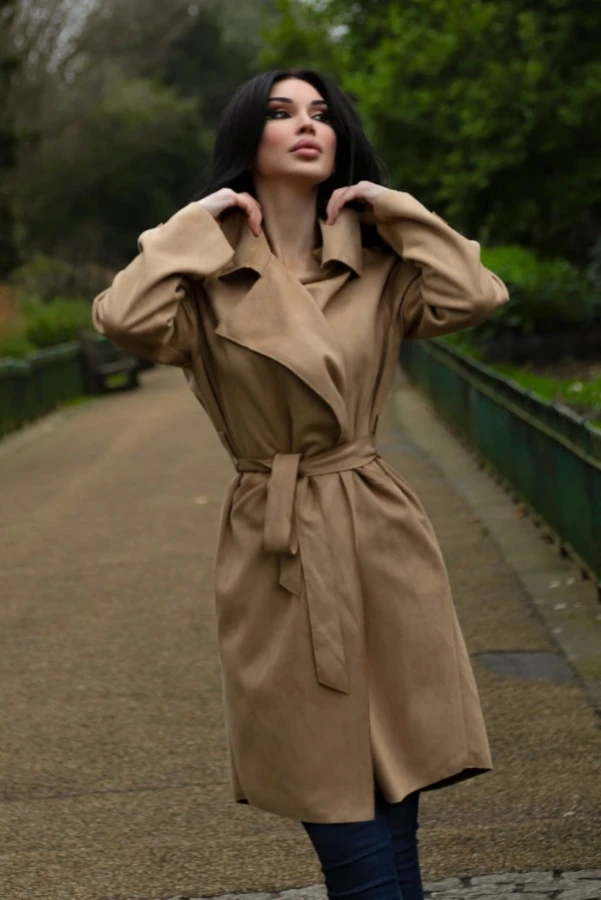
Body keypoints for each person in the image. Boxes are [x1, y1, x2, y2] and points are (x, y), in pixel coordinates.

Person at [92, 67, 509, 900]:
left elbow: (475, 294)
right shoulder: (206, 281)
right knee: (337, 808)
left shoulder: (377, 267)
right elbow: (124, 319)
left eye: (321, 113)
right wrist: (196, 223)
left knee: (396, 799)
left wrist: (395, 208)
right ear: (247, 140)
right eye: (281, 112)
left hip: (377, 534)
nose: (307, 124)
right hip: (276, 544)